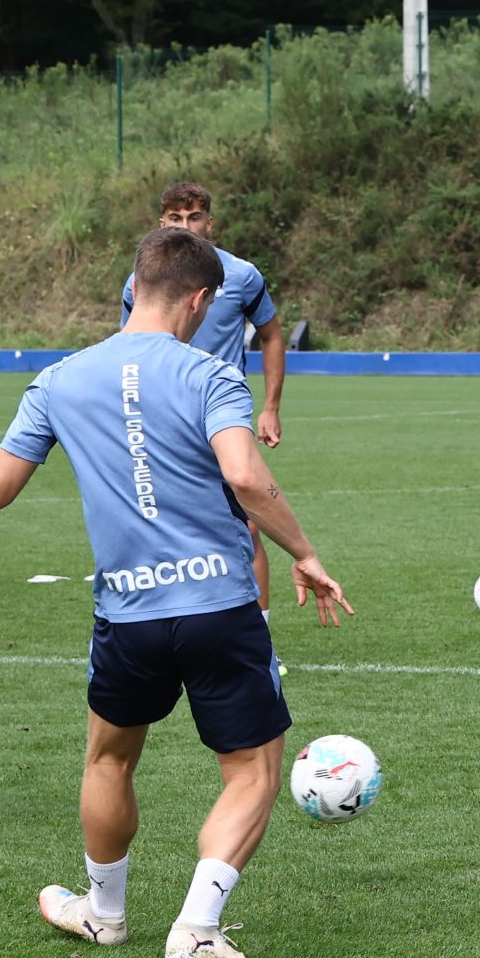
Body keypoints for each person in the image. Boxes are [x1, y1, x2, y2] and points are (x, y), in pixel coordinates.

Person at [0, 227, 352, 958]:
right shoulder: (211, 375)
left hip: (127, 614)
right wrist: (303, 553)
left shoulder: (58, 379)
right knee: (251, 770)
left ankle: (104, 914)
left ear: (133, 287)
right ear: (202, 301)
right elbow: (246, 476)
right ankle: (197, 928)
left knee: (109, 758)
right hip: (217, 606)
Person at [122, 183, 286, 627]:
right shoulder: (142, 282)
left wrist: (270, 407)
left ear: (209, 223)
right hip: (162, 416)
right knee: (165, 520)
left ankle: (259, 632)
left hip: (220, 416)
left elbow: (272, 336)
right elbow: (128, 346)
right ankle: (174, 619)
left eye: (194, 217)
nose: (186, 226)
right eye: (176, 218)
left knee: (246, 523)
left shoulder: (241, 275)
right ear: (162, 223)